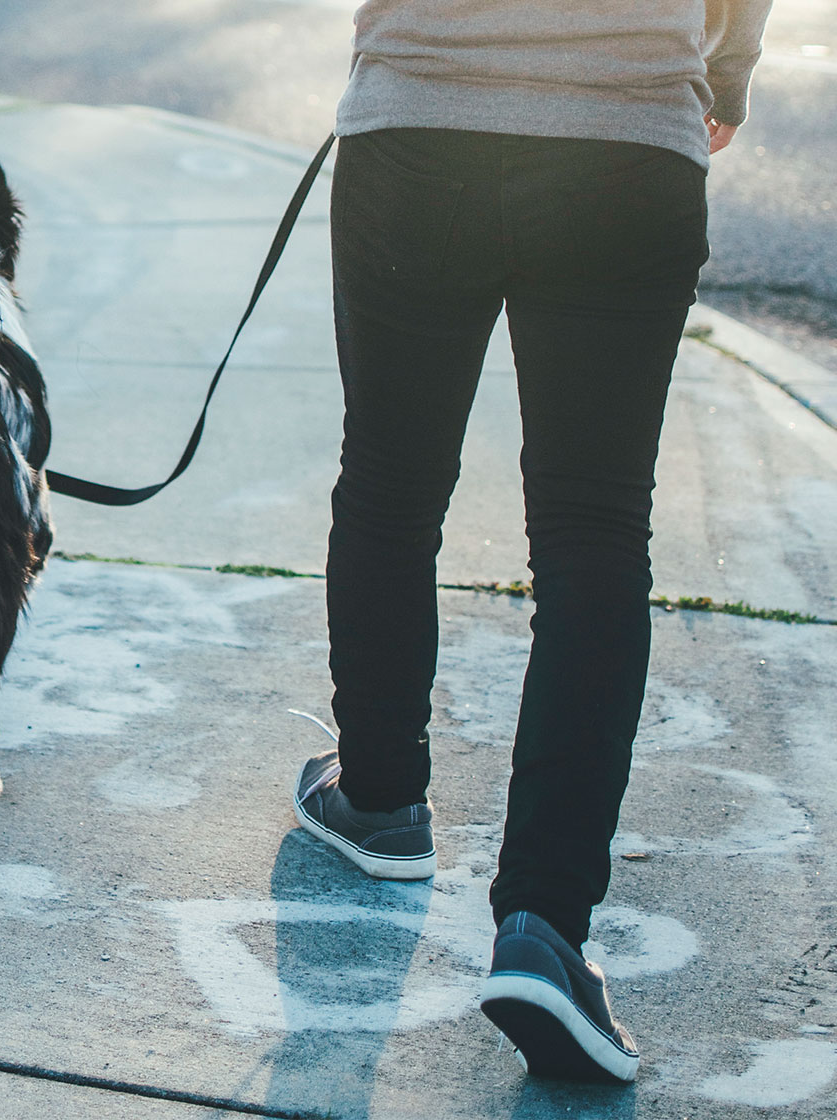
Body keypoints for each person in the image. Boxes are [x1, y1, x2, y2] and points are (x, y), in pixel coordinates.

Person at [288, 0, 774, 1083]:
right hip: (627, 132)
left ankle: (376, 794)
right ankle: (545, 930)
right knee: (594, 529)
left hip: (420, 121)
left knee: (389, 486)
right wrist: (724, 75)